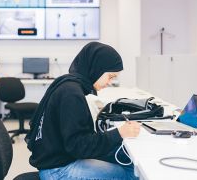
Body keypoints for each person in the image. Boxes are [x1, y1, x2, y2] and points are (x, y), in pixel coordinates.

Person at [26, 42, 140, 180]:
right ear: (96, 68)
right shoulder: (72, 94)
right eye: (110, 76)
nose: (110, 82)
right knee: (131, 173)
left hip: (58, 160)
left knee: (126, 161)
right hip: (57, 171)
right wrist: (119, 133)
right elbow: (79, 147)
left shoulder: (68, 84)